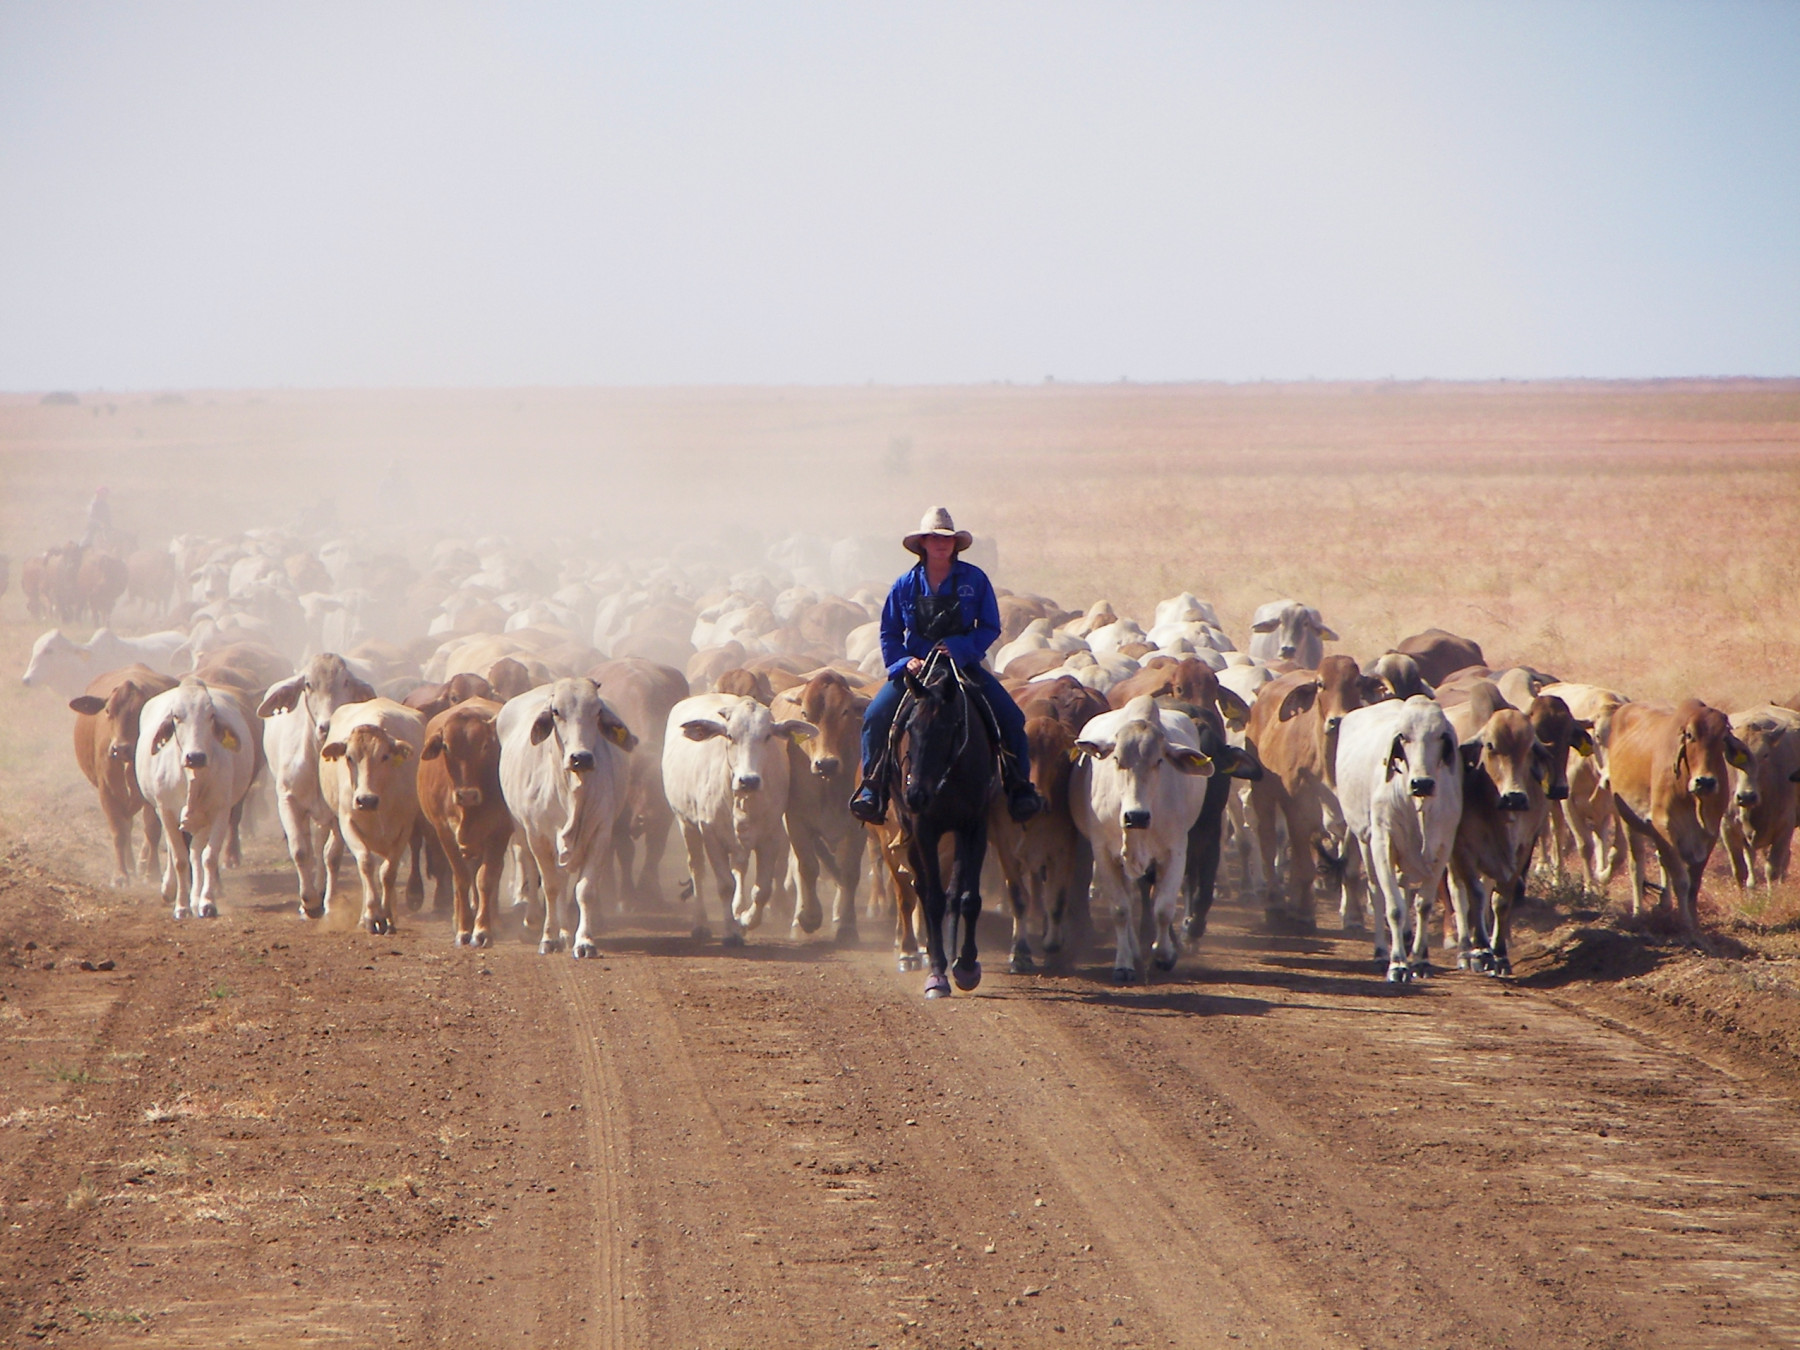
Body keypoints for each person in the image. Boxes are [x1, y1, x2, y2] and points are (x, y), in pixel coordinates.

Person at [850, 507, 1043, 825]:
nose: (941, 543)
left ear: (955, 544)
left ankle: (1019, 787)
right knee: (875, 716)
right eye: (934, 538)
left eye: (947, 539)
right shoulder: (905, 584)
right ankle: (873, 788)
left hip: (963, 665)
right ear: (923, 543)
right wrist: (904, 661)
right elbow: (889, 632)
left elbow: (989, 626)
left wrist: (959, 647)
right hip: (917, 670)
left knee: (1011, 717)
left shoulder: (975, 580)